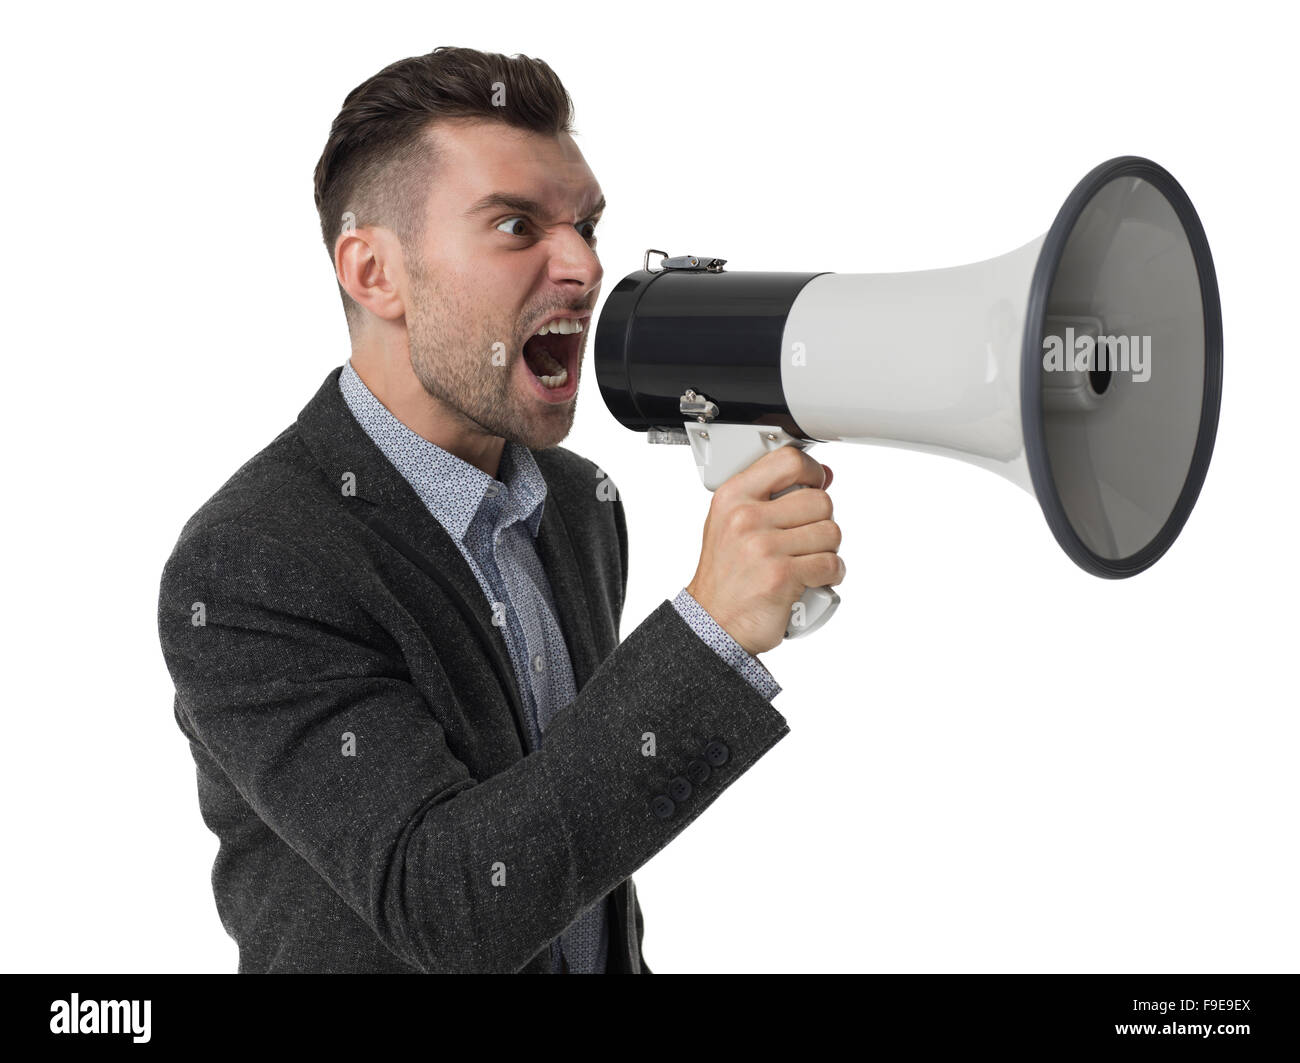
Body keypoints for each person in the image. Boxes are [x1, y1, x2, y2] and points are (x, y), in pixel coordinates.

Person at [156, 45, 845, 974]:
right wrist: (707, 629)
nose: (585, 266)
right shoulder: (250, 564)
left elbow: (573, 844)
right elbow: (448, 907)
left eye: (588, 224)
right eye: (518, 226)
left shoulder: (576, 502)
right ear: (373, 272)